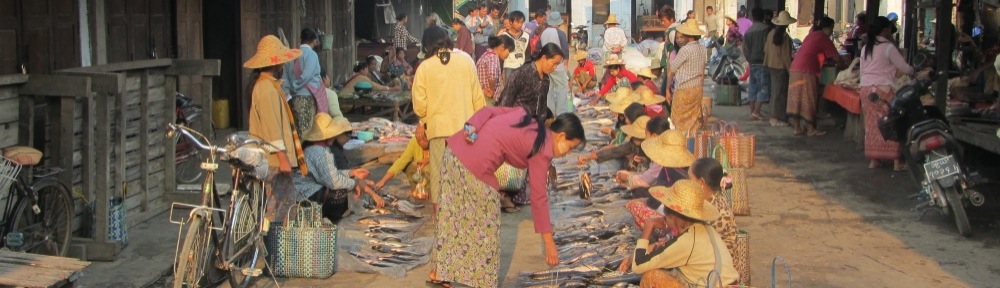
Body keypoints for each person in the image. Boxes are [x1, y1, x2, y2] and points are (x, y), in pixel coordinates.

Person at [427, 107, 586, 287]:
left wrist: (471, 126)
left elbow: (488, 111)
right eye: (570, 147)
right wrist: (549, 243)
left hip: (454, 153)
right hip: (474, 165)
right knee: (487, 225)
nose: (568, 153)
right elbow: (539, 198)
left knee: (452, 215)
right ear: (561, 136)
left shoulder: (525, 117)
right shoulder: (543, 148)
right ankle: (481, 281)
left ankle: (438, 272)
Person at [412, 26, 487, 215]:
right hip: (467, 128)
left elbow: (420, 105)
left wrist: (425, 120)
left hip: (438, 129)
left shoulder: (424, 67)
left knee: (438, 175)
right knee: (466, 173)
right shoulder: (465, 62)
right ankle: (466, 218)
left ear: (427, 45)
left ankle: (441, 222)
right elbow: (479, 100)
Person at [632, 180, 739, 287]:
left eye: (665, 216)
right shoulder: (703, 227)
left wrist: (647, 229)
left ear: (672, 217)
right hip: (726, 282)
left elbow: (638, 265)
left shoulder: (686, 240)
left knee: (651, 276)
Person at [296, 113, 385, 223]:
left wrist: (351, 173)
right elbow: (333, 182)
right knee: (341, 193)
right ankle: (331, 216)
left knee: (347, 184)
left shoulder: (316, 148)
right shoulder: (319, 152)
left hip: (305, 191)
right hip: (306, 195)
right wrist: (355, 183)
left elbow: (329, 174)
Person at [244, 35, 304, 175]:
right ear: (278, 64)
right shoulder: (266, 88)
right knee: (280, 197)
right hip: (273, 161)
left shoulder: (267, 84)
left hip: (272, 158)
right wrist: (283, 160)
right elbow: (273, 128)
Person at [860, 16, 913, 171]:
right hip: (884, 90)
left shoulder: (866, 48)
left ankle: (874, 160)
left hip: (865, 90)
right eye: (889, 28)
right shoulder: (888, 47)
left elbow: (863, 71)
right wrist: (914, 70)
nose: (891, 31)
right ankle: (897, 162)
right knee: (893, 123)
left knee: (872, 126)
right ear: (885, 30)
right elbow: (904, 68)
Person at [622, 130, 694, 236]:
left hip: (674, 218)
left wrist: (640, 201)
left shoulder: (668, 170)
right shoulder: (688, 170)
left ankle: (662, 233)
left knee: (635, 206)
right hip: (684, 217)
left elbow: (654, 201)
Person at [788, 16, 844, 136]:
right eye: (831, 28)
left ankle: (797, 128)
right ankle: (810, 129)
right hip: (807, 71)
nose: (831, 31)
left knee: (796, 99)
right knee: (808, 99)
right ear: (825, 28)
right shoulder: (823, 38)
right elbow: (836, 57)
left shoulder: (811, 35)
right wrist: (846, 65)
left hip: (795, 69)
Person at [282, 28, 330, 135]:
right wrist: (295, 86)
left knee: (295, 128)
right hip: (306, 96)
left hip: (292, 97)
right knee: (306, 130)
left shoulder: (290, 54)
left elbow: (284, 75)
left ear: (300, 39)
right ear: (314, 41)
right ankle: (305, 151)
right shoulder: (312, 55)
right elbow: (306, 75)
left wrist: (289, 90)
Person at [498, 43, 566, 117]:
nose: (555, 67)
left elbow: (542, 108)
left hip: (534, 125)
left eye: (557, 65)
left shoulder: (546, 80)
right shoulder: (521, 74)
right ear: (544, 58)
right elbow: (505, 102)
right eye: (554, 63)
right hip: (516, 122)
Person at [688, 158, 738, 253]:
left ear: (701, 182)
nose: (688, 182)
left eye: (690, 178)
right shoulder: (709, 199)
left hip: (717, 263)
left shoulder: (716, 211)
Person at [666, 20, 708, 133]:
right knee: (693, 122)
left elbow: (672, 70)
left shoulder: (685, 50)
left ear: (688, 36)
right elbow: (703, 71)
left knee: (678, 122)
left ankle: (679, 146)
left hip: (684, 90)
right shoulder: (703, 49)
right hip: (697, 89)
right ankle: (692, 145)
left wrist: (667, 89)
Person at [374, 124, 430, 190]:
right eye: (418, 140)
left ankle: (431, 191)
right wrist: (383, 181)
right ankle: (417, 189)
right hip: (422, 175)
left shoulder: (436, 142)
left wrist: (429, 159)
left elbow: (442, 158)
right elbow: (401, 162)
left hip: (436, 175)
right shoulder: (414, 142)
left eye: (424, 139)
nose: (421, 142)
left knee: (427, 168)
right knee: (409, 166)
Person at [765, 11, 796, 127]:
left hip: (771, 66)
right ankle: (775, 118)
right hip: (781, 68)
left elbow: (766, 50)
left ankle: (775, 116)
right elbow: (786, 56)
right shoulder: (785, 37)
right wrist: (790, 70)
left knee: (775, 92)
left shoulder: (770, 34)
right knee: (779, 93)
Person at [742, 8, 772, 121]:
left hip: (752, 62)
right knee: (763, 87)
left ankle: (752, 111)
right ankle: (757, 111)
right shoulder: (766, 29)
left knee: (752, 87)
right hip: (763, 62)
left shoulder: (748, 31)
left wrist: (749, 58)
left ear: (752, 17)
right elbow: (768, 46)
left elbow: (744, 48)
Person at [540, 11, 572, 114]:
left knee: (549, 89)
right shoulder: (560, 33)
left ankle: (550, 114)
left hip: (546, 65)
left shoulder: (543, 33)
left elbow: (539, 48)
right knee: (561, 89)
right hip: (558, 65)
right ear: (559, 22)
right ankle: (560, 113)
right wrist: (566, 64)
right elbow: (565, 50)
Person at [477, 35, 515, 105]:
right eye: (508, 51)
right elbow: (492, 76)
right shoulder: (493, 57)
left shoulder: (486, 55)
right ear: (502, 46)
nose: (508, 54)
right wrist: (491, 91)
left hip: (482, 94)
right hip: (488, 97)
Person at [657, 7, 680, 96]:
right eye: (661, 21)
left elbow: (676, 50)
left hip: (672, 66)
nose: (662, 23)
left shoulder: (672, 32)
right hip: (671, 65)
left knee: (665, 92)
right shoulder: (673, 29)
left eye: (664, 20)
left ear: (671, 19)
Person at [501, 11, 531, 76]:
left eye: (522, 22)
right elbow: (501, 55)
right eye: (517, 22)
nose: (520, 25)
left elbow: (528, 54)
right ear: (511, 22)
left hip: (522, 67)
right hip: (509, 66)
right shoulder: (504, 36)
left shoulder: (526, 36)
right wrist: (500, 72)